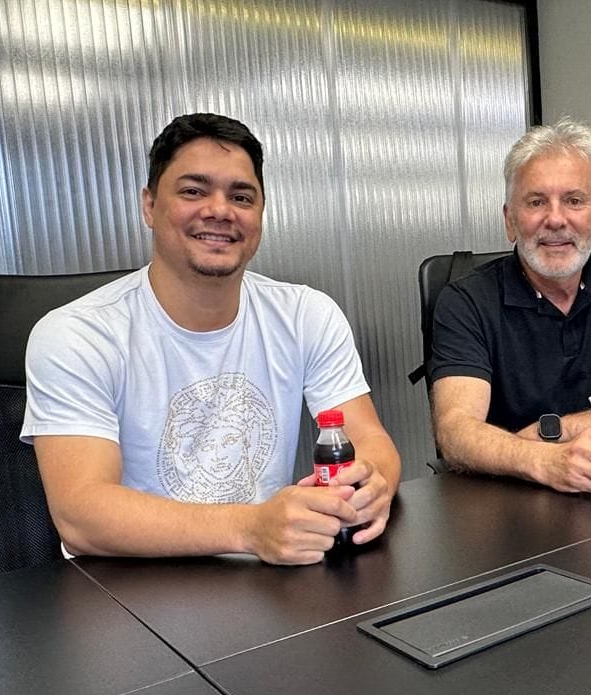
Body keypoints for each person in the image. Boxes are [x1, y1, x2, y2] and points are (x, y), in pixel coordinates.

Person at [21, 113, 400, 565]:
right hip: (127, 585)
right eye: (193, 191)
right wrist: (251, 528)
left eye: (241, 197)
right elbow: (81, 514)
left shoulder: (305, 314)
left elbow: (368, 437)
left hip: (267, 575)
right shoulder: (77, 335)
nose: (220, 210)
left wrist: (373, 485)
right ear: (149, 205)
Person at [428, 118, 591, 495]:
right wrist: (546, 461)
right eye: (536, 202)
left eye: (574, 200)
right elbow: (456, 432)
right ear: (510, 220)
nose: (555, 219)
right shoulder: (465, 300)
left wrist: (555, 432)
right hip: (510, 502)